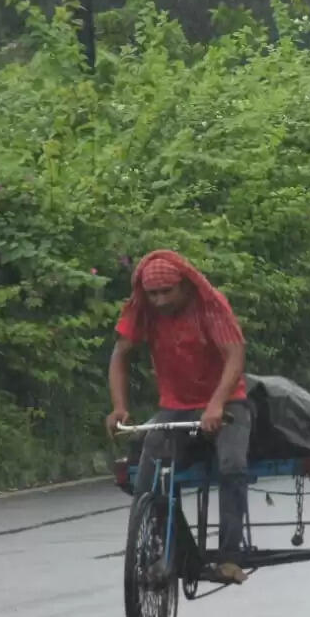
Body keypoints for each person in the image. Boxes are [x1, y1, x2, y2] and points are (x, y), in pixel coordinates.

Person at [106, 250, 253, 584]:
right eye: (153, 294)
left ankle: (231, 557)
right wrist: (118, 406)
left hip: (227, 402)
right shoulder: (144, 309)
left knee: (232, 465)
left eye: (166, 292)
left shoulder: (209, 305)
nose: (159, 301)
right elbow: (120, 353)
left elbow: (234, 354)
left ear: (184, 286)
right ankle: (169, 551)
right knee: (148, 474)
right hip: (176, 405)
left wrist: (216, 404)